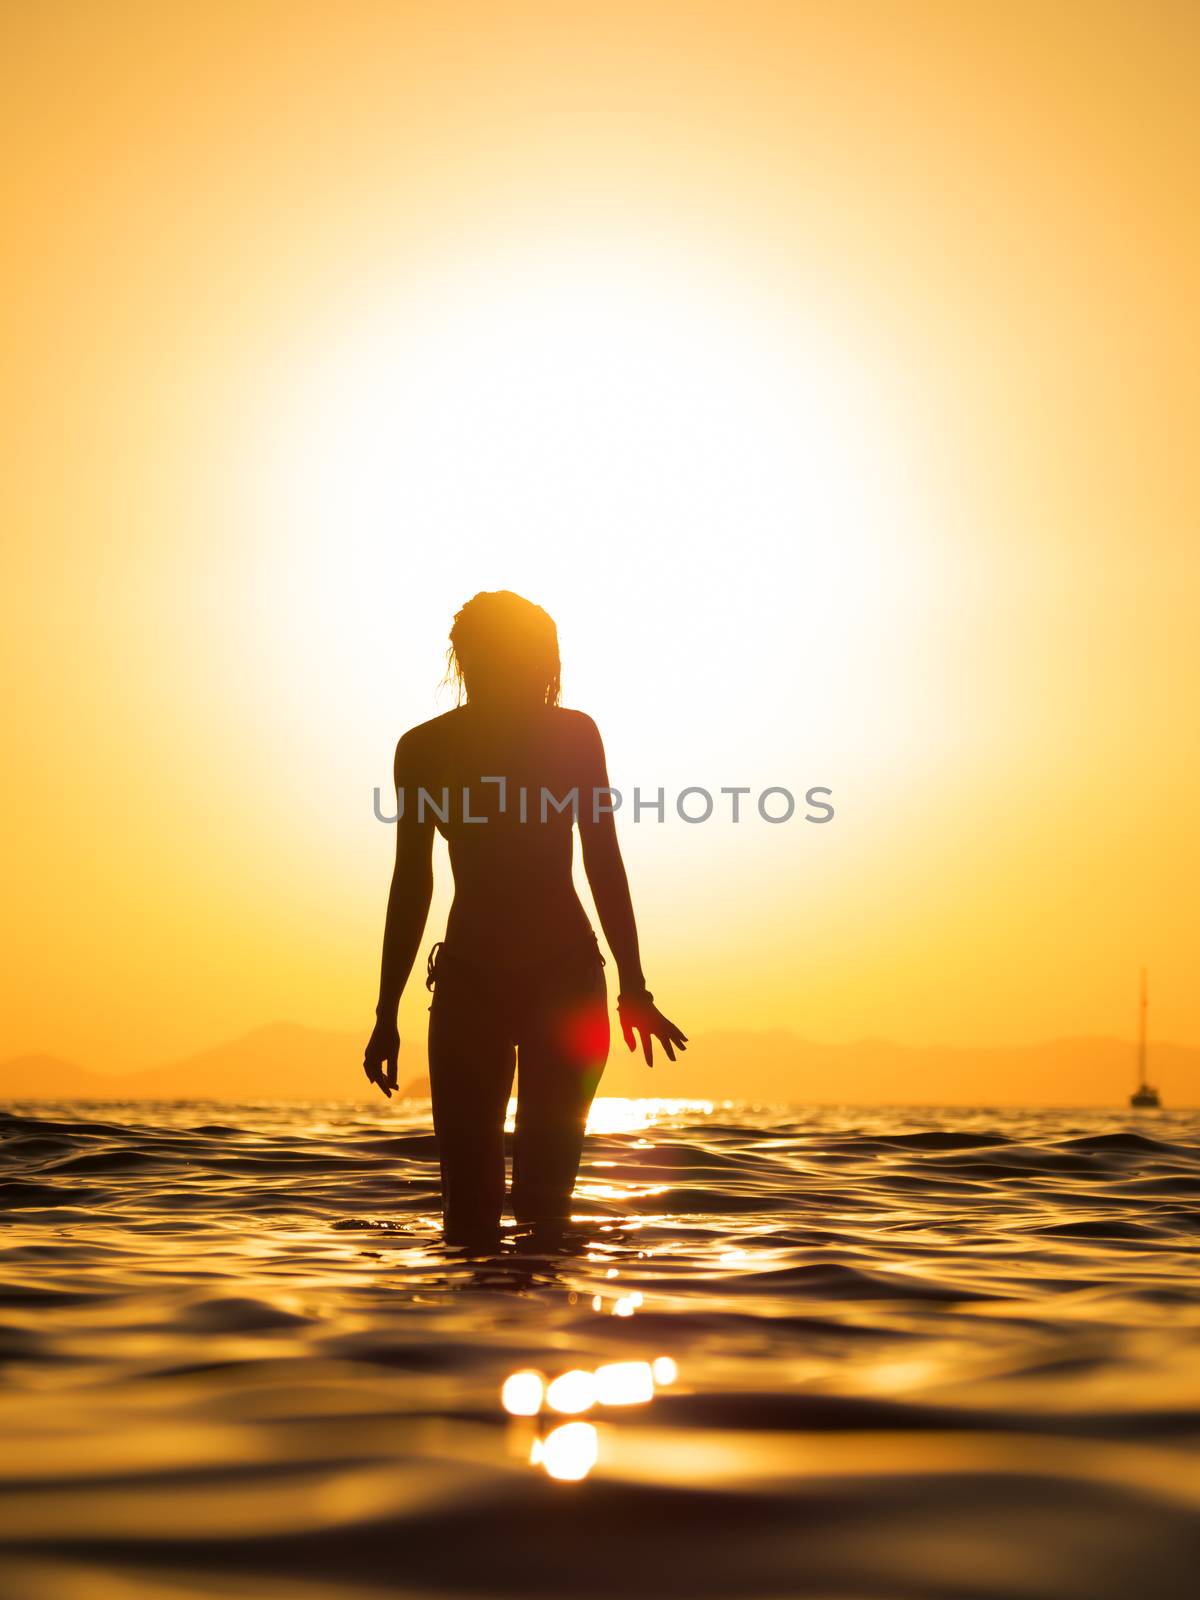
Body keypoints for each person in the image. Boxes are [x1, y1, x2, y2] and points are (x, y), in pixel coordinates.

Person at [363, 590, 687, 1248]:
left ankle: (534, 1341)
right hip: (470, 985)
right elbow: (412, 882)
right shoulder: (423, 750)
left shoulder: (571, 736)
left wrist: (634, 987)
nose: (527, 673)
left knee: (544, 1202)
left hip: (562, 982)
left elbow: (603, 858)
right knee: (469, 1208)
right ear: (469, 657)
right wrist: (385, 1011)